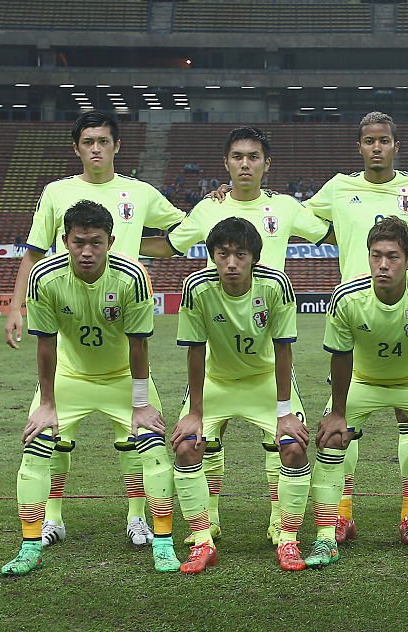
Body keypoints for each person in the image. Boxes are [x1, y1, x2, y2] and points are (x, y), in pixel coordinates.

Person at [3, 111, 186, 550]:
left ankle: (138, 518)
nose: (97, 148)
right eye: (88, 141)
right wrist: (16, 305)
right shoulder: (57, 192)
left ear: (117, 146)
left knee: (141, 438)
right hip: (72, 331)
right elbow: (33, 252)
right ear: (77, 147)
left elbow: (183, 231)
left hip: (121, 311)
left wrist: (139, 247)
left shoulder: (139, 192)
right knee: (49, 439)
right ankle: (51, 519)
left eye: (104, 141)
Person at [141, 127, 330, 547]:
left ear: (267, 163)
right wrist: (110, 240)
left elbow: (332, 231)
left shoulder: (286, 206)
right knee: (204, 440)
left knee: (283, 442)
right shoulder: (209, 211)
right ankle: (206, 528)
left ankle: (282, 529)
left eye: (254, 156)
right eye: (238, 157)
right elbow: (171, 245)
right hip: (220, 345)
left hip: (268, 336)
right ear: (226, 163)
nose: (245, 164)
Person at [302, 112, 408, 547]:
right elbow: (294, 214)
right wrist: (226, 194)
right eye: (368, 140)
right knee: (342, 423)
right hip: (355, 319)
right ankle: (342, 514)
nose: (376, 147)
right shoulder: (337, 188)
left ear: (395, 145)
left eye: (384, 140)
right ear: (360, 146)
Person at [305, 216, 408, 568]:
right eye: (376, 255)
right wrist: (338, 411)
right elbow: (341, 356)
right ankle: (324, 538)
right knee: (332, 438)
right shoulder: (348, 297)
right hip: (363, 382)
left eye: (392, 256)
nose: (382, 264)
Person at [171, 217, 310, 573]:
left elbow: (283, 351)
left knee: (293, 446)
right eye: (222, 254)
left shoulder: (276, 284)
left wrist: (284, 412)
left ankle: (288, 537)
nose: (231, 263)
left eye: (240, 255)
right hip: (217, 382)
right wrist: (195, 412)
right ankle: (203, 540)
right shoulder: (196, 287)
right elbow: (195, 350)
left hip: (265, 380)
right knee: (186, 445)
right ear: (212, 256)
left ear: (255, 258)